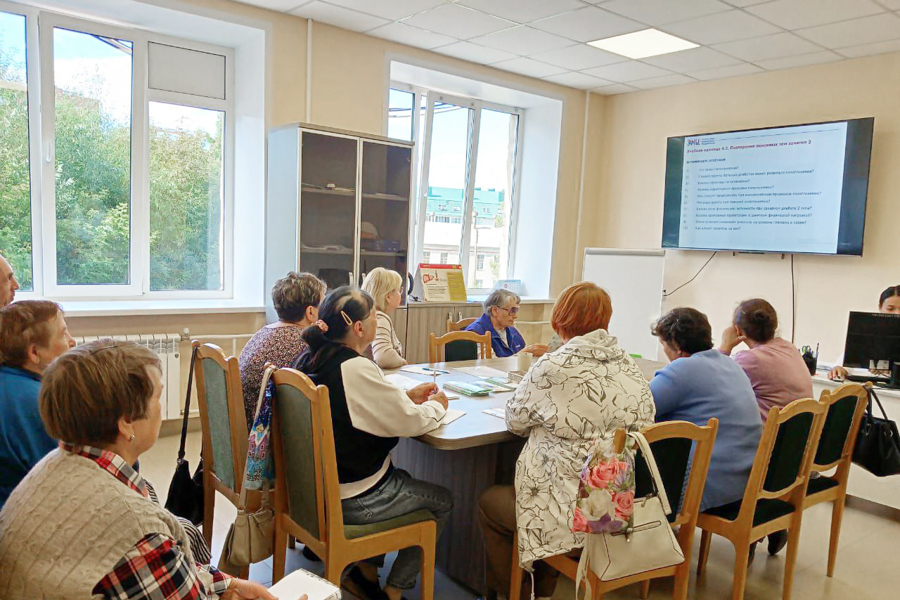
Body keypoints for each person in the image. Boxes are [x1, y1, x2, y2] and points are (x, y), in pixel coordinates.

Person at [0, 340, 277, 600]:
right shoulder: (139, 531)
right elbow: (148, 555)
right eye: (157, 396)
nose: (160, 407)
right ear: (127, 422)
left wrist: (227, 585)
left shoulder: (53, 464)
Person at [478, 282, 656, 600]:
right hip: (611, 505)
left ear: (559, 321)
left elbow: (515, 421)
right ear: (606, 321)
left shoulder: (553, 366)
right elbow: (647, 420)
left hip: (566, 511)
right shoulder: (631, 367)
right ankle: (541, 589)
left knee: (491, 503)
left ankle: (516, 593)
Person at [292, 286, 453, 600]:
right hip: (351, 498)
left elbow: (347, 408)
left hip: (311, 492)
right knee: (442, 501)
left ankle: (365, 573)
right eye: (374, 316)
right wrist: (438, 406)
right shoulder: (355, 367)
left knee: (398, 476)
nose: (379, 321)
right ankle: (394, 591)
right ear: (360, 328)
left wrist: (404, 398)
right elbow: (413, 422)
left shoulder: (310, 358)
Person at [649, 307, 762, 513]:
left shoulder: (683, 369)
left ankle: (651, 529)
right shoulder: (730, 364)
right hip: (746, 478)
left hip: (709, 484)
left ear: (676, 345)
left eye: (664, 345)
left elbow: (640, 407)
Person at [0, 300, 76, 509]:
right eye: (63, 334)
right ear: (34, 352)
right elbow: (69, 480)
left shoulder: (10, 384)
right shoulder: (40, 403)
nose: (73, 341)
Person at [240, 271, 326, 428]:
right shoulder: (306, 342)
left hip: (246, 425)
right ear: (311, 312)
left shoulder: (263, 333)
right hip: (268, 434)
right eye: (323, 304)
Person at [720, 299, 813, 422]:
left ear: (737, 330)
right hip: (797, 437)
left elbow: (713, 387)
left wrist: (724, 348)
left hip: (766, 438)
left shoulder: (749, 359)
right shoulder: (789, 347)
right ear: (774, 326)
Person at [829, 285, 900, 379]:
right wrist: (838, 369)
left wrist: (894, 372)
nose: (897, 313)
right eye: (890, 309)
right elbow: (845, 364)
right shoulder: (866, 331)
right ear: (880, 307)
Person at [466, 289, 548, 358]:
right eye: (512, 311)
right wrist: (525, 353)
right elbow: (490, 365)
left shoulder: (510, 329)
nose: (515, 316)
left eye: (516, 310)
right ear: (495, 311)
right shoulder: (476, 333)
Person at [361, 267, 407, 369]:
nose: (401, 293)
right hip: (377, 378)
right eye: (399, 290)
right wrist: (403, 362)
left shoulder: (367, 315)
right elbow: (383, 357)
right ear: (388, 297)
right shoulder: (379, 319)